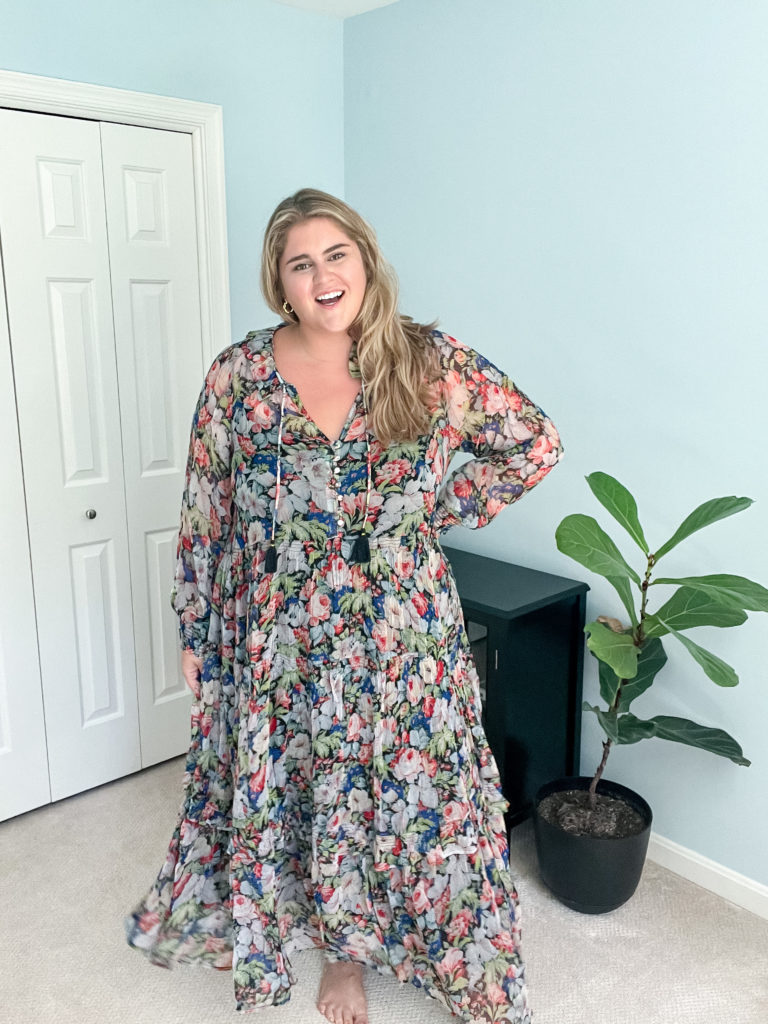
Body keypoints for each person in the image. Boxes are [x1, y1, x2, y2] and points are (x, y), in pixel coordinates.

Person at [125, 188, 563, 1024]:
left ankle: (464, 962)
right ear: (279, 283)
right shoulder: (240, 377)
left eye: (337, 255)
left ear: (365, 260)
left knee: (433, 800)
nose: (323, 275)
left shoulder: (428, 360)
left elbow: (531, 443)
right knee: (315, 795)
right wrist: (195, 627)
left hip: (408, 634)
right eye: (301, 263)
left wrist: (436, 508)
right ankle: (344, 959)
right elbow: (205, 510)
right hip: (285, 640)